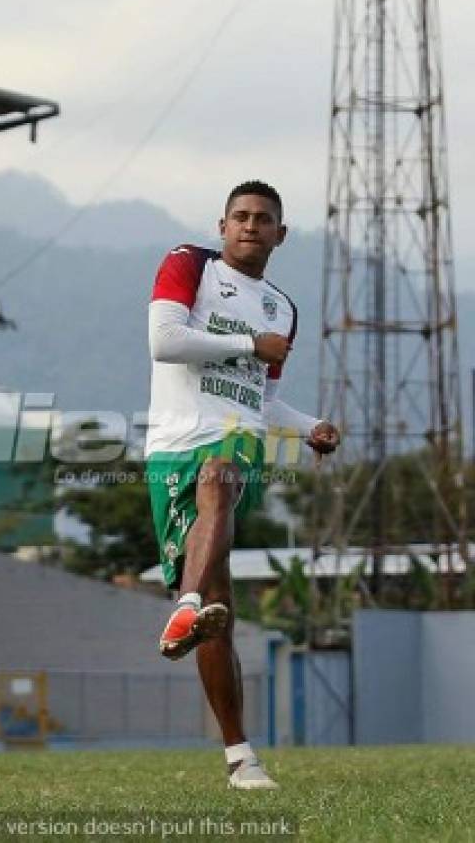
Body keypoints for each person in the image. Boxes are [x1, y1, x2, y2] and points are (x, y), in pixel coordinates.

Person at [145, 180, 340, 790]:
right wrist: (247, 344)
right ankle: (240, 758)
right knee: (218, 612)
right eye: (241, 217)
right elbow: (165, 342)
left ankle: (183, 605)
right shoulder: (188, 264)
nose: (251, 226)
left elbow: (262, 400)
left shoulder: (283, 309)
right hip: (169, 448)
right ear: (223, 224)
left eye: (263, 219)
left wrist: (310, 428)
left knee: (222, 475)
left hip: (233, 439)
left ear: (280, 234)